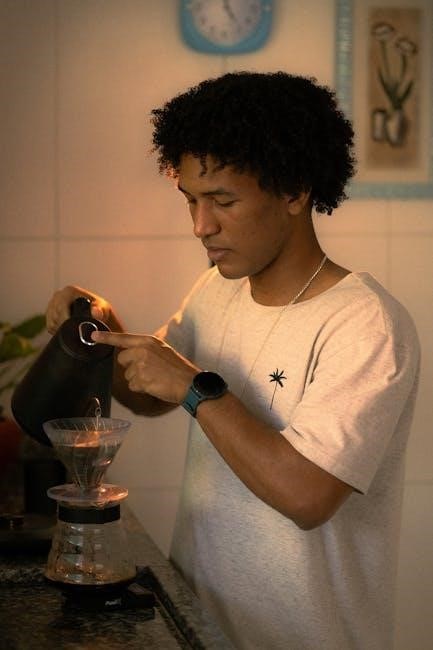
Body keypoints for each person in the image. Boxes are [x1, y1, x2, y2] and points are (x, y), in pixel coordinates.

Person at [46, 72, 420, 649]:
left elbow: (306, 496)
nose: (202, 226)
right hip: (203, 630)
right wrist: (100, 324)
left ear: (294, 192)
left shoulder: (365, 323)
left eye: (223, 201)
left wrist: (196, 388)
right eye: (191, 201)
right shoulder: (218, 288)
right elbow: (148, 391)